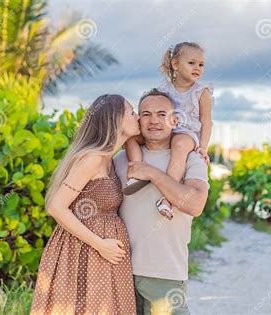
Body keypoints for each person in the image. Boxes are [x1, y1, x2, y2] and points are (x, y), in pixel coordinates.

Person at [31, 94, 140, 314]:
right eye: (132, 112)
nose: (138, 116)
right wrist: (100, 244)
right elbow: (55, 206)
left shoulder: (110, 157)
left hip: (102, 253)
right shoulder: (93, 158)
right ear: (117, 120)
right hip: (84, 250)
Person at [113, 89, 210, 314]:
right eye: (146, 114)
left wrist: (152, 173)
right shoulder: (120, 160)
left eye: (161, 114)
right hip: (120, 272)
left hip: (165, 274)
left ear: (174, 120)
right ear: (138, 119)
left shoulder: (192, 158)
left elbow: (195, 204)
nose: (153, 120)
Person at [123, 42, 213, 220]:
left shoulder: (201, 92)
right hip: (167, 129)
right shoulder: (164, 89)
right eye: (192, 63)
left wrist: (203, 147)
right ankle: (137, 171)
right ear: (175, 64)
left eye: (201, 65)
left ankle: (167, 200)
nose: (197, 68)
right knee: (130, 137)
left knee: (179, 145)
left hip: (187, 133)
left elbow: (207, 122)